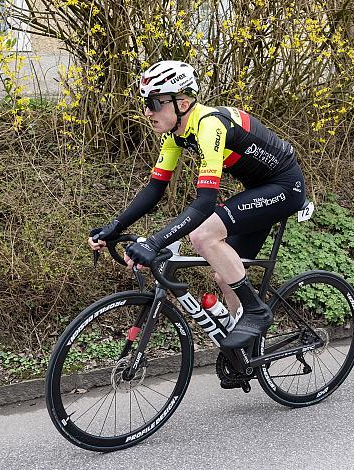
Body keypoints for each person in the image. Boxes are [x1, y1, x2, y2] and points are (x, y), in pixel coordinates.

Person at [88, 60, 307, 349]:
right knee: (224, 273)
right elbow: (154, 189)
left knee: (203, 235)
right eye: (145, 103)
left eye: (154, 103)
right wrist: (115, 227)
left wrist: (154, 242)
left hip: (284, 186)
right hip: (259, 188)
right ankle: (247, 354)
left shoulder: (209, 125)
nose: (147, 111)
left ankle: (256, 312)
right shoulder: (177, 135)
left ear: (183, 101)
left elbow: (205, 203)